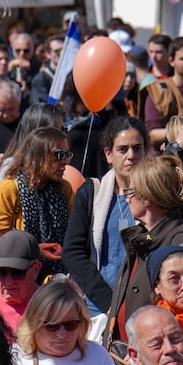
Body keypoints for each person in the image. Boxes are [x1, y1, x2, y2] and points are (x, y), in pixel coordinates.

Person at [106, 154, 183, 344]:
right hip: (124, 356)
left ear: (146, 197)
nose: (127, 199)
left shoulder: (182, 242)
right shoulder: (139, 239)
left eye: (130, 192)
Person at [63, 118, 150, 315]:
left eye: (137, 148)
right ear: (108, 154)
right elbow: (73, 251)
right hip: (98, 308)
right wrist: (108, 302)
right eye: (123, 149)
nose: (131, 156)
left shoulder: (155, 195)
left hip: (144, 303)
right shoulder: (92, 192)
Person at [0, 125, 75, 254]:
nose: (65, 162)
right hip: (14, 269)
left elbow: (74, 233)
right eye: (60, 155)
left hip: (57, 269)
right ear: (39, 155)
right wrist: (34, 251)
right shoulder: (8, 189)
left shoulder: (64, 189)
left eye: (67, 155)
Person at [0, 229, 45, 335]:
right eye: (1, 272)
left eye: (17, 272)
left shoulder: (52, 308)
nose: (9, 281)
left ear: (36, 270)